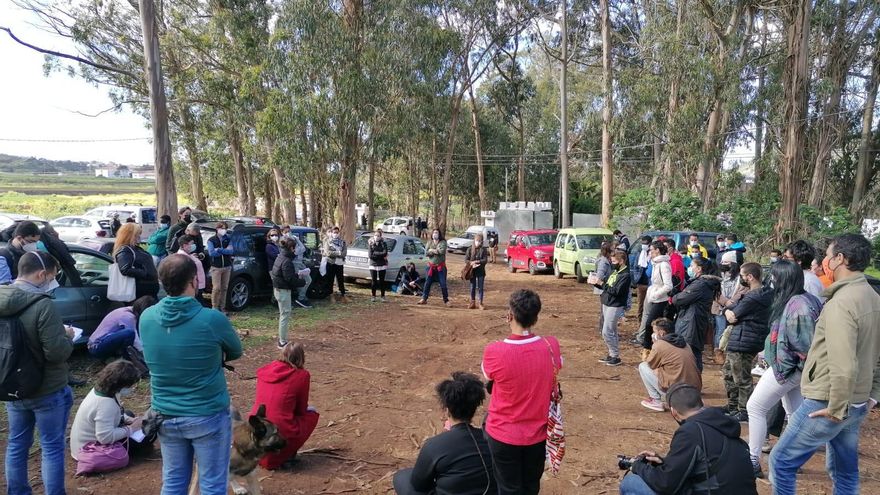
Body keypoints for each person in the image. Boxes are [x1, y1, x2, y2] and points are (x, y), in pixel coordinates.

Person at [769, 234, 880, 494]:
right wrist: (873, 393)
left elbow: (843, 362)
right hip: (857, 399)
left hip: (829, 400)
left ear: (841, 259)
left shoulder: (842, 303)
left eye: (829, 256)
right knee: (844, 469)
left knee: (781, 461)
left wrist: (836, 407)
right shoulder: (873, 297)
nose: (823, 262)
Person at [139, 254, 243, 495]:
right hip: (206, 414)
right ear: (195, 281)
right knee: (212, 484)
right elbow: (235, 351)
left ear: (162, 281)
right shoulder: (211, 319)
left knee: (173, 482)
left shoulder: (146, 317)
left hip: (164, 413)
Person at [2, 251, 75, 495]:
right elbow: (56, 353)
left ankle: (17, 491)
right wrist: (68, 337)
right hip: (47, 387)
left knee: (16, 443)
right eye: (53, 276)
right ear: (42, 274)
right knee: (52, 446)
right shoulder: (42, 305)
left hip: (12, 384)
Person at [745, 261, 822, 479]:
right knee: (794, 413)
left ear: (783, 279)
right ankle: (791, 460)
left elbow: (806, 346)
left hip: (788, 368)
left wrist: (786, 368)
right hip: (793, 368)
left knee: (755, 406)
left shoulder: (799, 306)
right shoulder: (804, 299)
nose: (772, 281)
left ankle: (752, 461)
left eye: (775, 277)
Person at [481, 289, 561, 495]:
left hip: (502, 434)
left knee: (508, 487)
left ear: (510, 315)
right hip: (538, 434)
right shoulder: (551, 346)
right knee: (531, 485)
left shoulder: (495, 351)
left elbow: (488, 378)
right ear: (535, 317)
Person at [619, 383, 757, 495]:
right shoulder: (725, 424)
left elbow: (666, 485)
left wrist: (637, 466)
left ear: (673, 412)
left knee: (631, 483)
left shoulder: (690, 432)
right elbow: (707, 463)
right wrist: (663, 463)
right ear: (701, 402)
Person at [394, 372, 497, 495]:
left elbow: (419, 485)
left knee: (402, 477)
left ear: (447, 410)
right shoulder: (492, 439)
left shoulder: (434, 445)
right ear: (475, 408)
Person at [251, 342, 319, 470]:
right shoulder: (301, 375)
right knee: (311, 414)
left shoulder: (265, 370)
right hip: (279, 429)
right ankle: (286, 454)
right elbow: (301, 409)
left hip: (255, 425)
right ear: (301, 358)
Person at [69, 360, 152, 461]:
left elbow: (116, 412)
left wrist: (128, 419)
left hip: (82, 445)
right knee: (148, 435)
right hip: (91, 451)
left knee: (129, 414)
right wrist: (131, 428)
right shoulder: (105, 404)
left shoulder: (102, 390)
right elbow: (105, 438)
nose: (131, 388)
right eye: (129, 386)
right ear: (120, 385)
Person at [721, 262, 772, 423]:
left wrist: (728, 311)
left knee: (740, 377)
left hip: (744, 340)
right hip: (745, 338)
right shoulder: (764, 293)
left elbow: (733, 314)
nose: (741, 278)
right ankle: (733, 405)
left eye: (743, 276)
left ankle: (743, 410)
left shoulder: (754, 297)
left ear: (750, 277)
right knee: (729, 373)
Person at [638, 318, 702, 412]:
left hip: (676, 393)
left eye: (654, 331)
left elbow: (651, 364)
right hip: (694, 392)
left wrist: (655, 345)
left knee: (643, 366)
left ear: (662, 333)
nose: (653, 334)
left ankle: (656, 400)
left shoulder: (660, 344)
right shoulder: (684, 343)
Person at [671, 257, 720, 372]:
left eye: (692, 266)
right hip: (694, 321)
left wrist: (676, 294)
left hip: (691, 323)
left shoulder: (700, 285)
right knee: (693, 353)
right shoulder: (702, 283)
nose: (690, 268)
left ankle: (692, 383)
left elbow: (679, 300)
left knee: (690, 354)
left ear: (699, 269)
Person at [592, 249, 631, 367]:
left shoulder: (625, 275)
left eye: (614, 261)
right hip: (607, 302)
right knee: (612, 330)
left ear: (622, 261)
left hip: (615, 304)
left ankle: (615, 355)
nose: (612, 263)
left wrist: (602, 284)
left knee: (607, 331)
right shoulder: (615, 271)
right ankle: (611, 354)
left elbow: (616, 291)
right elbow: (607, 284)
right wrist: (596, 282)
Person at [87, 295, 157, 360]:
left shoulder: (127, 309)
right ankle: (126, 359)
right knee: (129, 333)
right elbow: (135, 338)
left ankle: (119, 356)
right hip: (96, 347)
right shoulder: (128, 316)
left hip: (99, 343)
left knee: (129, 333)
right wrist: (145, 355)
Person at [271, 238, 307, 349]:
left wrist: (297, 274)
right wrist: (302, 281)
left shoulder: (281, 257)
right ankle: (282, 342)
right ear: (291, 248)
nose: (296, 250)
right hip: (283, 291)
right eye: (295, 248)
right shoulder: (286, 261)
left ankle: (282, 339)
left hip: (279, 289)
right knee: (285, 315)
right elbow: (289, 279)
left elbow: (286, 275)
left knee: (284, 314)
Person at [636, 241, 673, 350]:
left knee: (651, 324)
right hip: (653, 296)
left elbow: (668, 286)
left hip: (660, 299)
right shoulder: (655, 263)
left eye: (651, 250)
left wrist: (656, 294)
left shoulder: (664, 265)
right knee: (649, 322)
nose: (650, 252)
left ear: (657, 250)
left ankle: (648, 348)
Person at [712, 253, 747, 364]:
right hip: (719, 307)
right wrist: (725, 301)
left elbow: (743, 290)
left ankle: (730, 353)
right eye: (722, 262)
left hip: (735, 307)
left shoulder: (740, 277)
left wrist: (732, 301)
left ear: (733, 263)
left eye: (726, 262)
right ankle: (719, 352)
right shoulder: (717, 274)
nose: (723, 264)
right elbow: (714, 291)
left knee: (732, 331)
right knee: (720, 330)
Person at [113, 223, 159, 301]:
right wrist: (144, 272)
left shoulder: (135, 248)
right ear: (130, 235)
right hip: (139, 292)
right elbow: (125, 269)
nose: (139, 236)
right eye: (137, 234)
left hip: (147, 291)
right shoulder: (125, 250)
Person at [207, 222, 234, 313]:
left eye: (225, 228)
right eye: (222, 228)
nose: (224, 230)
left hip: (227, 266)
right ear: (217, 229)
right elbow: (211, 253)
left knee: (224, 288)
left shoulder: (228, 238)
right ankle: (214, 307)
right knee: (216, 288)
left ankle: (223, 307)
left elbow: (231, 251)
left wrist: (219, 249)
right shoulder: (211, 240)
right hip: (216, 267)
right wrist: (224, 251)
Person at [418, 229, 449, 306]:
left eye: (437, 233)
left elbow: (441, 251)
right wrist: (434, 251)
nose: (435, 234)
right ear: (432, 234)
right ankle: (424, 298)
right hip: (430, 267)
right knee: (427, 283)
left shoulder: (443, 242)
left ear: (439, 234)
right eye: (434, 233)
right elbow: (426, 253)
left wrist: (431, 250)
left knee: (443, 284)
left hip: (440, 268)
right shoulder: (429, 242)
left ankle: (446, 300)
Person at [176, 235, 206, 303]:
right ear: (184, 245)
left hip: (197, 285)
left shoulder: (188, 255)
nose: (193, 245)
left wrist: (192, 256)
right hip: (194, 287)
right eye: (191, 244)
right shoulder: (183, 258)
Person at [322, 226, 348, 302]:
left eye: (337, 232)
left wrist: (339, 254)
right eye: (334, 232)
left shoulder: (342, 242)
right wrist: (338, 253)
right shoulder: (328, 241)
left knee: (340, 279)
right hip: (331, 263)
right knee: (330, 280)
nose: (335, 234)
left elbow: (344, 253)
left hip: (340, 263)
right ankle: (331, 295)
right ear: (332, 233)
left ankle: (343, 295)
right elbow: (328, 253)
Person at [631, 235, 653, 326]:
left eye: (646, 244)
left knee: (649, 306)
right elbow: (635, 266)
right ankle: (640, 324)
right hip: (641, 282)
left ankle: (647, 324)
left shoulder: (653, 254)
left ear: (650, 244)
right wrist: (636, 279)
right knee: (640, 305)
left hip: (650, 284)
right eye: (642, 243)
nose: (644, 245)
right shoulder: (640, 253)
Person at [288, 233, 313, 308]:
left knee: (308, 280)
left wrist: (296, 239)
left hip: (301, 264)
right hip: (295, 265)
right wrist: (298, 240)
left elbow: (303, 250)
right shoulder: (292, 249)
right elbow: (303, 248)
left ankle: (301, 297)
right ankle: (301, 298)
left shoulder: (296, 246)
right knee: (302, 281)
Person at [465, 233, 489, 310]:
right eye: (477, 240)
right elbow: (466, 259)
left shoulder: (483, 249)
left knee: (480, 287)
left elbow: (485, 260)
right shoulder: (469, 249)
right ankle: (472, 302)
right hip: (472, 271)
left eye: (480, 241)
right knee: (472, 287)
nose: (478, 242)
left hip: (481, 271)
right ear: (474, 240)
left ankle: (480, 303)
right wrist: (471, 263)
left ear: (482, 241)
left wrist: (477, 261)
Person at [368, 228, 390, 302]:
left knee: (382, 281)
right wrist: (380, 255)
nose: (376, 236)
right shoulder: (371, 243)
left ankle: (382, 296)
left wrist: (376, 253)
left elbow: (385, 253)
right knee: (374, 281)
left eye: (378, 235)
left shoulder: (384, 243)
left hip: (382, 264)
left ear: (381, 236)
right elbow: (370, 255)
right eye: (375, 235)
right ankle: (373, 296)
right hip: (373, 264)